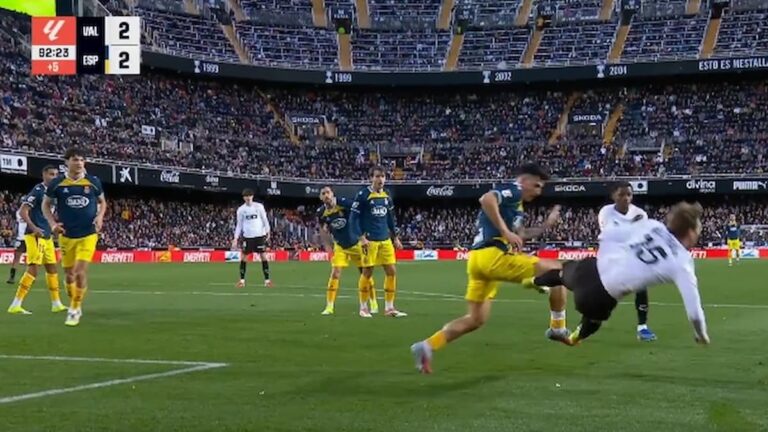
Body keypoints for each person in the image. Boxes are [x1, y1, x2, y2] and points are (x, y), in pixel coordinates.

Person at [410, 163, 569, 374]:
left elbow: (520, 234)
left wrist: (546, 225)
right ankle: (557, 327)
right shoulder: (513, 189)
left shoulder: (517, 206)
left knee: (475, 319)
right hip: (492, 255)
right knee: (557, 271)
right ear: (525, 181)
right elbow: (486, 198)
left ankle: (428, 345)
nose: (539, 191)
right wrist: (505, 231)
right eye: (537, 185)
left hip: (478, 261)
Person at [555, 202, 709, 346]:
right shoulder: (682, 261)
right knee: (593, 319)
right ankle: (574, 338)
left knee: (558, 274)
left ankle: (534, 280)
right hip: (601, 296)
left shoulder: (654, 226)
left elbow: (611, 234)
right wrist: (701, 334)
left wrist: (607, 252)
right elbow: (694, 312)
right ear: (690, 232)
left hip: (590, 269)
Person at [42, 148, 107, 327]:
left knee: (79, 271)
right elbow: (45, 205)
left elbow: (103, 202)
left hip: (88, 234)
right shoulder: (58, 183)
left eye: (81, 160)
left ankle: (74, 309)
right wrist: (52, 224)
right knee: (69, 275)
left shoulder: (93, 182)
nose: (78, 163)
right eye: (75, 159)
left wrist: (100, 216)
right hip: (66, 235)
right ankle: (74, 299)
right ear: (67, 162)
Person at [597, 182, 656, 342]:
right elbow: (611, 235)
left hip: (633, 256)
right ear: (614, 196)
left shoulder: (640, 214)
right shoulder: (606, 212)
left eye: (629, 195)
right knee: (603, 293)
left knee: (641, 288)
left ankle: (642, 328)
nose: (625, 198)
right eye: (621, 194)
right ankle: (587, 323)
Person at [7, 165, 67, 314]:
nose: (54, 177)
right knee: (33, 269)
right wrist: (34, 228)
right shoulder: (38, 190)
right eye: (51, 174)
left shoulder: (52, 193)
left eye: (56, 175)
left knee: (52, 268)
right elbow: (23, 211)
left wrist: (53, 226)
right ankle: (16, 304)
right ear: (44, 175)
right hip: (35, 236)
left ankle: (56, 303)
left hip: (46, 236)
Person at [349, 166, 406, 318]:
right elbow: (353, 219)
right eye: (377, 176)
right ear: (371, 178)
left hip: (385, 240)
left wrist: (395, 237)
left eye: (383, 176)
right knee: (367, 272)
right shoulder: (363, 195)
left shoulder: (387, 196)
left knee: (392, 271)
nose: (380, 179)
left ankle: (389, 308)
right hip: (370, 241)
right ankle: (363, 307)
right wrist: (361, 238)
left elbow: (390, 219)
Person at [317, 186, 370, 315]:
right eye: (323, 193)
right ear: (320, 197)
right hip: (340, 246)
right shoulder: (321, 212)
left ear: (332, 193)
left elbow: (359, 212)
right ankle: (329, 307)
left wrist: (363, 235)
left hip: (356, 244)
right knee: (335, 273)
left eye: (328, 192)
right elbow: (323, 228)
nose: (326, 195)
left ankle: (372, 303)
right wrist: (327, 246)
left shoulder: (344, 203)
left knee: (366, 273)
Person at [231, 189, 272, 288]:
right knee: (244, 257)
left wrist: (268, 231)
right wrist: (235, 238)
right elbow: (239, 225)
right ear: (243, 198)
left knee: (263, 256)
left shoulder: (259, 207)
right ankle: (242, 281)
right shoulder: (241, 210)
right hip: (247, 237)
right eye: (246, 196)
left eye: (249, 196)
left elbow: (264, 219)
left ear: (252, 196)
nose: (248, 198)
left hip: (259, 235)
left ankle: (267, 280)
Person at [6, 207, 26, 284]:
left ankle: (12, 277)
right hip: (28, 237)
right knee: (32, 259)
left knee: (16, 258)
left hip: (21, 238)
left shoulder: (18, 212)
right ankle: (30, 276)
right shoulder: (33, 212)